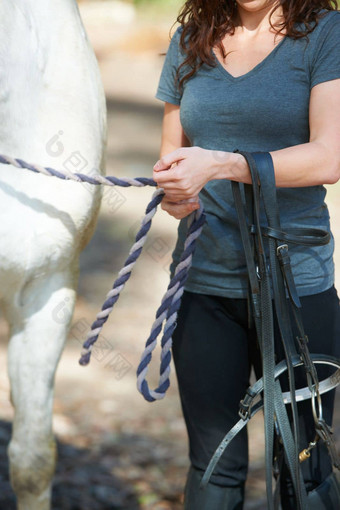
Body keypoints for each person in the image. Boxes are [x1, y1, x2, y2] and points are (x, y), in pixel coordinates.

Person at [153, 0, 340, 509]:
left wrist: (223, 165)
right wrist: (176, 192)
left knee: (305, 467)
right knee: (212, 466)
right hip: (203, 284)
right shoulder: (191, 38)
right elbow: (173, 156)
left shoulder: (325, 34)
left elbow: (329, 157)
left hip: (296, 286)